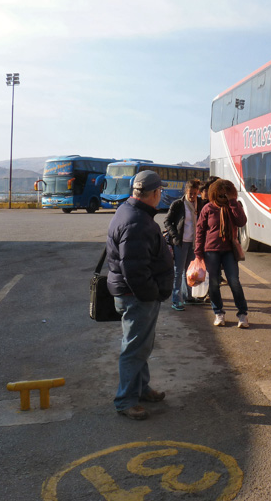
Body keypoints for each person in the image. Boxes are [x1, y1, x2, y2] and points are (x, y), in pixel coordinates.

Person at [106, 170, 174, 420]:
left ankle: (141, 388)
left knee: (140, 345)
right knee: (134, 348)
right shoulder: (136, 221)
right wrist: (152, 294)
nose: (161, 195)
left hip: (133, 294)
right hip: (137, 296)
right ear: (155, 193)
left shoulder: (129, 211)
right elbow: (134, 269)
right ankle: (125, 400)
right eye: (161, 192)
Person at [194, 178, 249, 328]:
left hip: (229, 251)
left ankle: (242, 314)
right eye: (220, 194)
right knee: (213, 283)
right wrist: (198, 252)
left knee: (234, 281)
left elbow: (242, 221)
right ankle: (218, 313)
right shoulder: (208, 208)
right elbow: (199, 231)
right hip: (211, 250)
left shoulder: (233, 207)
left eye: (226, 193)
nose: (223, 197)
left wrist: (232, 202)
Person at [164, 179, 201, 310]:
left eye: (195, 193)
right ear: (186, 191)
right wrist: (175, 236)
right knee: (178, 271)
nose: (192, 196)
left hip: (193, 243)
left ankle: (188, 297)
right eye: (191, 193)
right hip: (180, 243)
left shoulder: (199, 204)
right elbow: (167, 221)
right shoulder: (178, 204)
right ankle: (176, 300)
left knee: (189, 272)